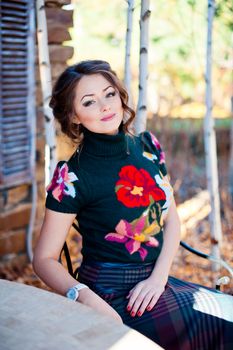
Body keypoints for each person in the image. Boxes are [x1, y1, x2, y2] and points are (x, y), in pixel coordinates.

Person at [33, 60, 233, 349]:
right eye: (89, 102)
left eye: (109, 94)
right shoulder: (73, 176)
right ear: (74, 116)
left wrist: (158, 278)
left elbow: (172, 221)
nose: (104, 106)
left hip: (155, 282)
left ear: (120, 95)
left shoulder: (149, 147)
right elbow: (44, 259)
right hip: (110, 294)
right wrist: (86, 297)